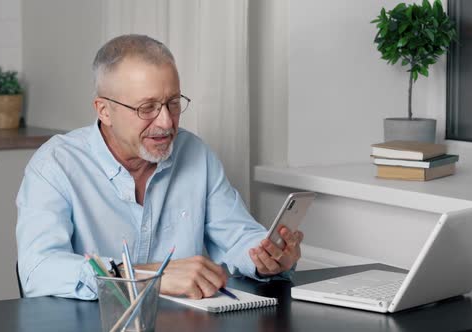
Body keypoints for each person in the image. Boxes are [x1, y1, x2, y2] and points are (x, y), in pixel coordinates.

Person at [16, 34, 303, 300]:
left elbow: (238, 237)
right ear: (105, 110)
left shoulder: (196, 154)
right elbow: (39, 269)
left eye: (173, 103)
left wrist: (268, 258)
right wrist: (147, 277)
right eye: (147, 107)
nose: (166, 122)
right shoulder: (55, 164)